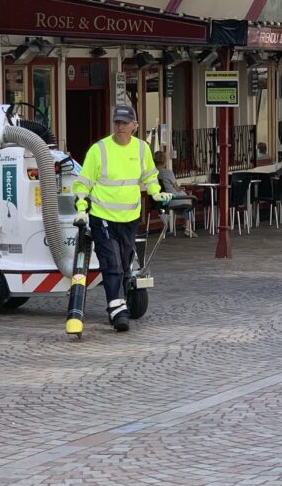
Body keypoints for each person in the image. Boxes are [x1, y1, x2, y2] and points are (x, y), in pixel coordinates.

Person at [72, 105, 172, 332]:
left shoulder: (141, 149)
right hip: (102, 216)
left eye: (125, 123)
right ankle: (118, 313)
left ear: (134, 126)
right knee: (112, 263)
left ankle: (121, 302)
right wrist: (80, 207)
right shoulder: (99, 150)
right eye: (117, 122)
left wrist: (156, 193)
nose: (120, 126)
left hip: (130, 218)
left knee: (125, 263)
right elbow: (82, 184)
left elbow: (149, 176)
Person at [152, 150, 196, 237]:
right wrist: (181, 188)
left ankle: (185, 221)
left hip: (160, 200)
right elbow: (176, 188)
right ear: (164, 161)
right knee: (190, 199)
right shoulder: (168, 172)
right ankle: (188, 227)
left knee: (185, 200)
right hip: (172, 198)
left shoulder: (153, 173)